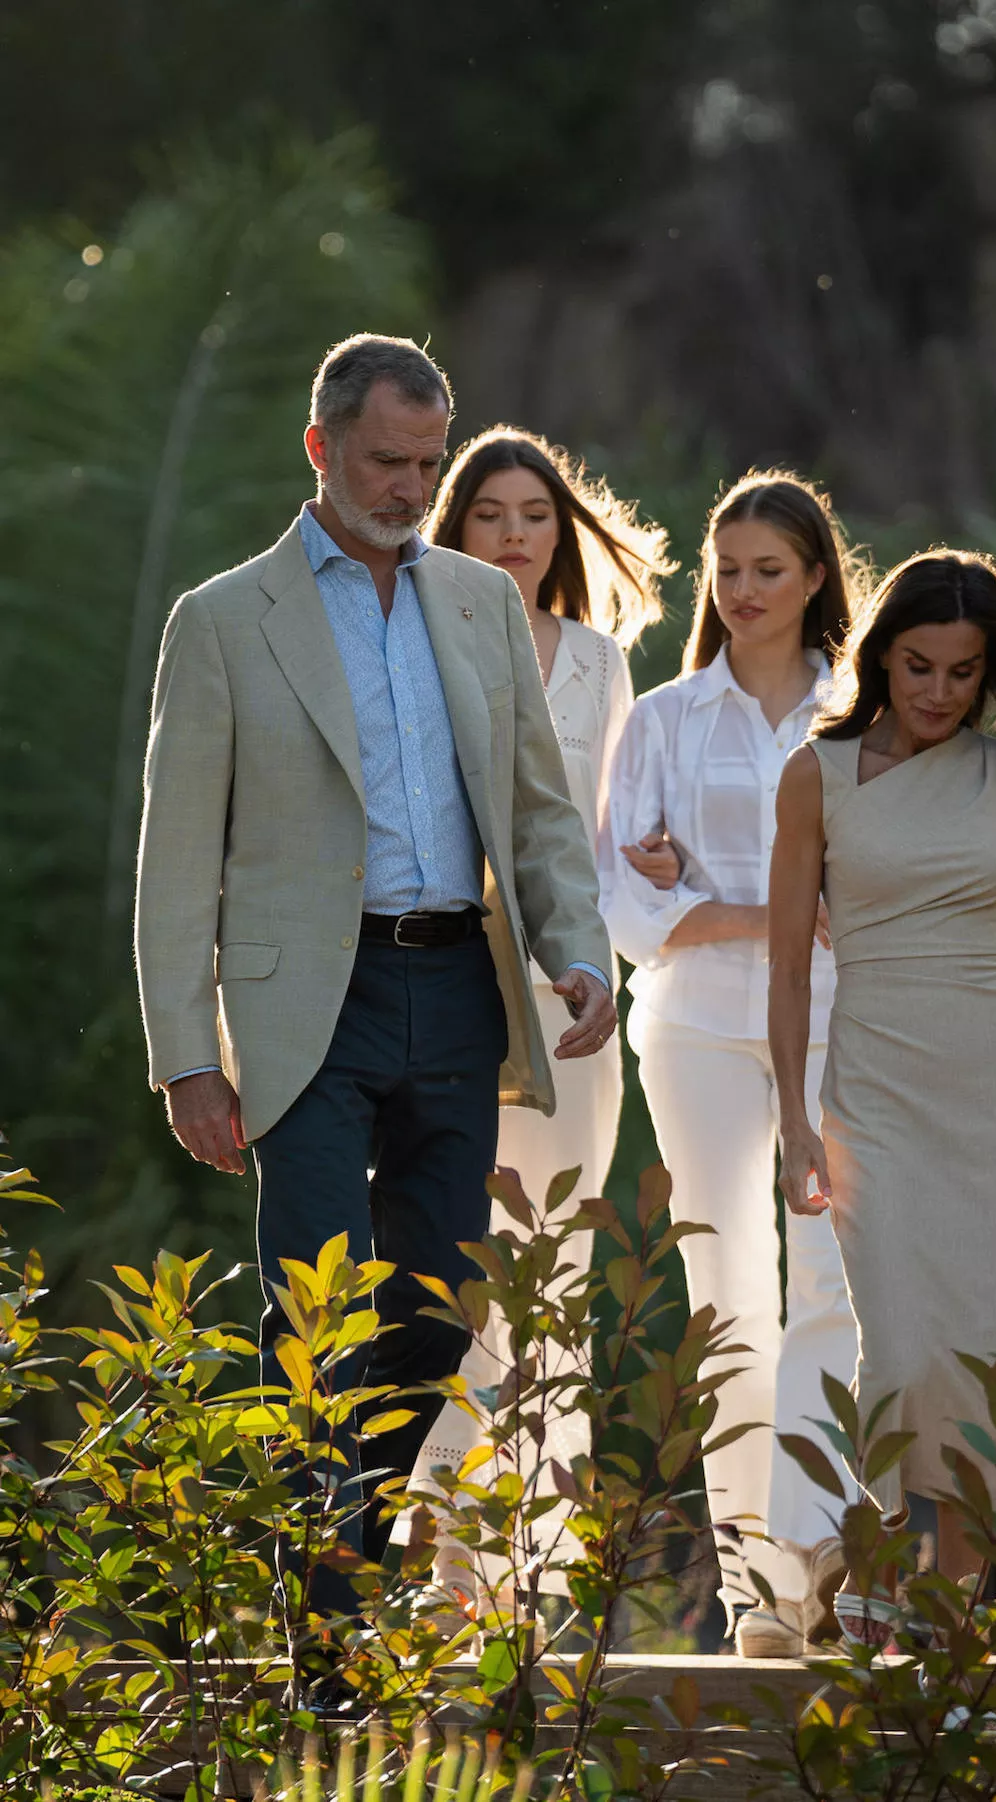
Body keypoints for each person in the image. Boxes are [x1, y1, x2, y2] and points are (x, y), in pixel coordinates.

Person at [134, 334, 617, 1587]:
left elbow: (538, 805)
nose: (408, 487)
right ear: (321, 448)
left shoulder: (478, 599)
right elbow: (176, 860)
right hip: (307, 1002)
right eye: (385, 460)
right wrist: (187, 1054)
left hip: (456, 987)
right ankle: (328, 1607)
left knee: (440, 1306)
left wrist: (580, 948)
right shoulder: (224, 620)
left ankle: (344, 1538)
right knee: (315, 1303)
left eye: (426, 462)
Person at [767, 549, 996, 1644]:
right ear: (877, 656)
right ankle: (877, 1548)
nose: (938, 691)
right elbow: (789, 966)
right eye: (916, 665)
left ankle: (943, 1597)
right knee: (902, 1343)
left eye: (961, 671)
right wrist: (796, 1121)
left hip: (994, 1088)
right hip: (876, 1088)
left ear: (990, 672)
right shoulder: (816, 776)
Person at [405, 427, 676, 1612]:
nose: (514, 535)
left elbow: (601, 842)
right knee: (454, 1267)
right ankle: (447, 1551)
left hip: (567, 997)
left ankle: (529, 1569)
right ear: (453, 529)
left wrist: (651, 863)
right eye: (488, 515)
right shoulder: (411, 637)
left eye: (533, 515)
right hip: (442, 986)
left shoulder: (600, 662)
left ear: (559, 532)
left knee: (553, 1273)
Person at [598, 471, 862, 1657]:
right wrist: (764, 915)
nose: (743, 590)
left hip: (842, 1024)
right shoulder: (659, 719)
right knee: (727, 1295)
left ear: (815, 576)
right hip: (695, 1029)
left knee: (831, 1277)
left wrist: (706, 892)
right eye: (727, 570)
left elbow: (874, 887)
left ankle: (817, 1559)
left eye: (768, 569)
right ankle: (758, 1588)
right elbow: (621, 903)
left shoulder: (861, 716)